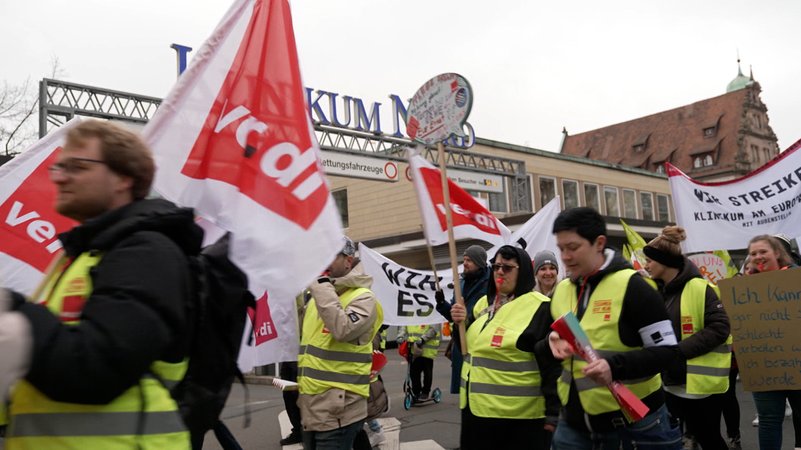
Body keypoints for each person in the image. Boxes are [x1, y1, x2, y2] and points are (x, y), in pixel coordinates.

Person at [0, 120, 201, 448]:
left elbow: (96, 369)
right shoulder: (81, 256)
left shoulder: (148, 251)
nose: (60, 177)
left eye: (77, 166)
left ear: (124, 178)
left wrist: (14, 310)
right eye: (59, 167)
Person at [547, 207, 682, 449]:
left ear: (599, 243)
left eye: (573, 247)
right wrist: (552, 339)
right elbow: (552, 340)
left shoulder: (635, 287)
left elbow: (668, 352)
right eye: (561, 248)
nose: (565, 256)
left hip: (636, 426)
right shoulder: (562, 289)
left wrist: (614, 367)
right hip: (573, 426)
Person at [451, 244, 561, 450]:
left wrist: (553, 415)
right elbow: (470, 350)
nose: (500, 272)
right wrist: (460, 325)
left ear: (524, 272)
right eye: (496, 266)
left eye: (507, 268)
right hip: (476, 414)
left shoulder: (541, 307)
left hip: (518, 421)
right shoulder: (483, 304)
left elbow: (553, 367)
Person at [643, 226, 731, 450]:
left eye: (650, 260)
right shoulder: (658, 292)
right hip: (671, 383)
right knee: (673, 441)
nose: (646, 265)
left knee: (708, 438)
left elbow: (720, 328)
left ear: (664, 261)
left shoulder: (700, 288)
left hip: (699, 386)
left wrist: (678, 351)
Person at [297, 237, 383, 450]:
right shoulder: (320, 296)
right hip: (313, 407)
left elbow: (342, 329)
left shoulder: (363, 298)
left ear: (348, 260)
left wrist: (320, 285)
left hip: (340, 408)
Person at [744, 234, 801, 450]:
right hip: (764, 363)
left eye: (763, 251)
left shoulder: (797, 276)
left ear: (777, 253)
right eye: (753, 253)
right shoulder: (744, 287)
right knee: (768, 420)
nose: (758, 256)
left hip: (797, 360)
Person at [435, 244, 491, 394]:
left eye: (469, 260)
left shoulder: (490, 283)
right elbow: (454, 317)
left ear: (479, 263)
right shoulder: (461, 283)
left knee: (481, 388)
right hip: (461, 343)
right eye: (464, 259)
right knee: (465, 391)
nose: (465, 263)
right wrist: (442, 304)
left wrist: (467, 316)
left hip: (480, 342)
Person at [397, 323, 441, 401]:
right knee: (413, 373)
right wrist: (400, 336)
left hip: (427, 350)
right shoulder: (410, 313)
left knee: (427, 372)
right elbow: (404, 326)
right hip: (414, 349)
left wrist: (423, 339)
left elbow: (433, 329)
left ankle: (425, 392)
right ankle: (416, 392)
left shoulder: (430, 313)